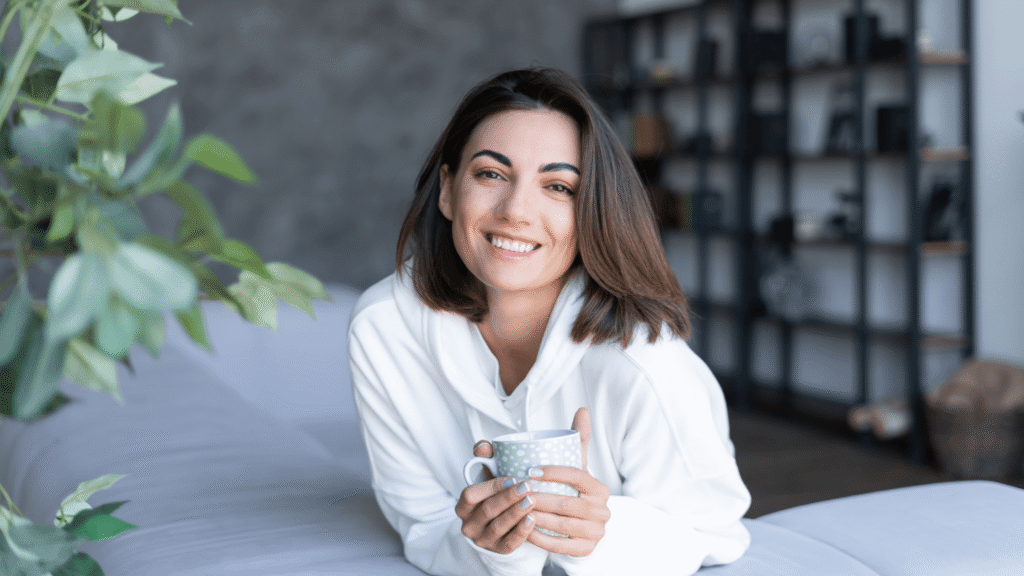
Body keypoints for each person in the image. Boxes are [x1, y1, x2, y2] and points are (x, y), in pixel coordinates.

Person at [347, 67, 750, 576]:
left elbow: (715, 531)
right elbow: (421, 523)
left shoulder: (644, 361)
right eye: (491, 174)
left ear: (593, 212)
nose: (516, 211)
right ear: (448, 190)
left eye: (558, 186)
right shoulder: (384, 329)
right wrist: (491, 547)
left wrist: (600, 535)